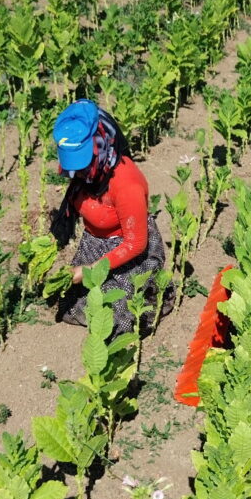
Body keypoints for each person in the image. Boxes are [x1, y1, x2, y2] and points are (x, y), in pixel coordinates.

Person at [49, 99, 170, 336]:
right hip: (94, 244)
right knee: (73, 305)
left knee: (119, 319)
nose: (76, 173)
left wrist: (92, 270)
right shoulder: (90, 175)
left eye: (82, 161)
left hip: (127, 253)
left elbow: (135, 244)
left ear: (101, 144)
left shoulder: (126, 184)